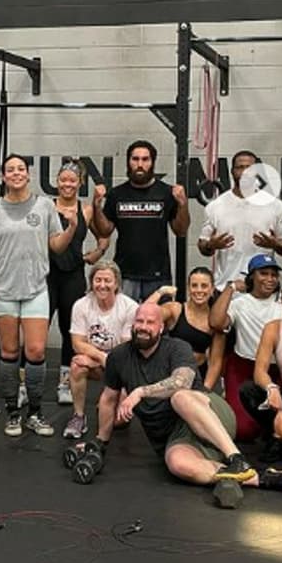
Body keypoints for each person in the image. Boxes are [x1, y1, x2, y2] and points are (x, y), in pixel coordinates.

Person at [94, 303, 282, 508]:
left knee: (180, 397)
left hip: (209, 413)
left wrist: (141, 391)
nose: (144, 327)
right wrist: (100, 444)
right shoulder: (118, 357)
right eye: (140, 321)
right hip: (176, 436)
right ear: (133, 324)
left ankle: (236, 458)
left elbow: (182, 382)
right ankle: (259, 478)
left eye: (150, 322)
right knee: (177, 464)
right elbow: (108, 399)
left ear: (161, 328)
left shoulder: (178, 347)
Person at [0, 154, 78, 438]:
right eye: (10, 170)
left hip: (35, 288)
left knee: (35, 351)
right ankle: (13, 412)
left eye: (21, 169)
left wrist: (72, 227)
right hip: (3, 289)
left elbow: (57, 246)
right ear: (3, 176)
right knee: (10, 351)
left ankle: (35, 412)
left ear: (28, 174)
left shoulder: (44, 206)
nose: (16, 173)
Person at [91, 140, 190, 301]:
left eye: (145, 159)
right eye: (135, 159)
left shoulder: (166, 193)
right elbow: (104, 231)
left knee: (159, 317)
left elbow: (181, 230)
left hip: (158, 274)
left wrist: (183, 205)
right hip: (125, 273)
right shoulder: (117, 194)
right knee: (124, 317)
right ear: (128, 162)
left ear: (152, 163)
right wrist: (96, 206)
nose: (140, 164)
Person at [47, 158, 110, 404]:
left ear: (80, 183)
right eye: (63, 180)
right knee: (37, 331)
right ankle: (25, 383)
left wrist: (97, 253)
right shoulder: (47, 207)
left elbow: (104, 235)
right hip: (47, 276)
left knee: (69, 330)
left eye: (72, 181)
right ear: (57, 182)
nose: (67, 184)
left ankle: (65, 382)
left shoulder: (86, 210)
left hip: (72, 276)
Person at [209, 253, 282, 441]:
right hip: (243, 367)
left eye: (274, 275)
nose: (270, 279)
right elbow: (216, 322)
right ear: (251, 277)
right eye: (264, 273)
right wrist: (231, 288)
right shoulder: (240, 303)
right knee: (242, 431)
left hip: (275, 370)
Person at [62, 260, 137, 439]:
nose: (102, 285)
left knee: (118, 422)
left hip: (122, 367)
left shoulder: (130, 307)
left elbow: (126, 349)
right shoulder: (81, 305)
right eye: (98, 280)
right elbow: (77, 344)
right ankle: (78, 417)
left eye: (107, 280)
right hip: (97, 362)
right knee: (77, 366)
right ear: (91, 282)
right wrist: (101, 357)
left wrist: (103, 360)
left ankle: (111, 397)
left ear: (116, 283)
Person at [197, 150, 282, 290]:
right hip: (225, 287)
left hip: (261, 290)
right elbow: (203, 246)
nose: (244, 172)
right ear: (232, 171)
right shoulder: (215, 206)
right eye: (240, 167)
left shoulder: (276, 206)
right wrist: (211, 245)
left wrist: (275, 244)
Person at [238, 279, 282, 461]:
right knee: (249, 390)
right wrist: (271, 388)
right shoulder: (273, 328)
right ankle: (276, 436)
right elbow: (259, 371)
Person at [145, 266, 225, 390]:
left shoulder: (215, 319)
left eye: (204, 286)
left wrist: (205, 389)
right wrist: (161, 292)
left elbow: (215, 361)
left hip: (197, 375)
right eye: (194, 286)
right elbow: (146, 313)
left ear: (212, 289)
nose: (199, 290)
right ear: (188, 288)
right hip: (169, 372)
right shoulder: (175, 309)